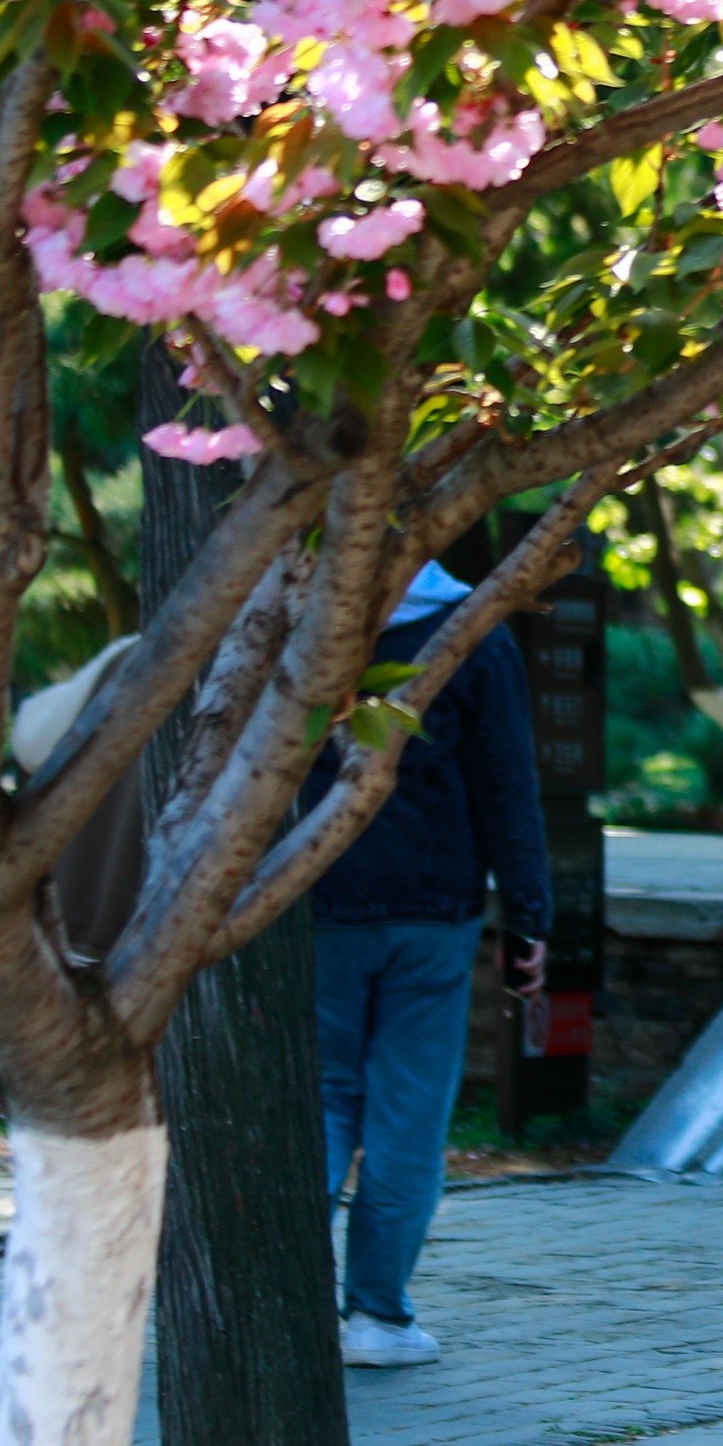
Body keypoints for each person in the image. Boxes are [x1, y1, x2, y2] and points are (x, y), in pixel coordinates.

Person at [309, 558, 551, 1368]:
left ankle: (285, 1298)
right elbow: (507, 788)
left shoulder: (305, 620)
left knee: (322, 1102)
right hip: (434, 910)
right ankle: (377, 1316)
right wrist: (528, 919)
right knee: (407, 1118)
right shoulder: (473, 634)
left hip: (312, 895)